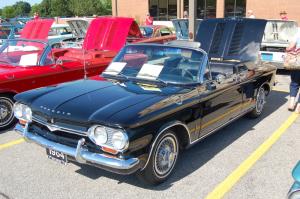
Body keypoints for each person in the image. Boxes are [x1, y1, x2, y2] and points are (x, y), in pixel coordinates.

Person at [286, 30, 300, 113]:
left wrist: (288, 49)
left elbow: (290, 46)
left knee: (294, 83)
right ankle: (298, 107)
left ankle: (291, 104)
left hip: (297, 62)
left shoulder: (298, 32)